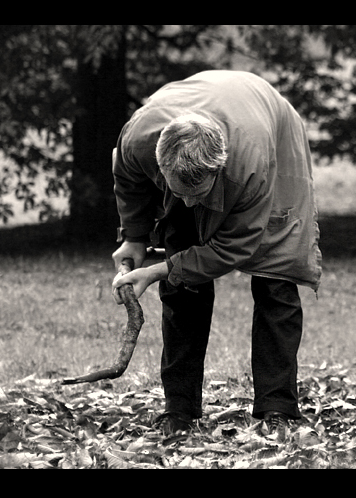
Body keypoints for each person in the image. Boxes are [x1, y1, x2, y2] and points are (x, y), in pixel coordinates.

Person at [110, 70, 322, 438]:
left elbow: (235, 246)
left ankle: (278, 408)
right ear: (160, 163)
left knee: (276, 279)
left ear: (218, 168)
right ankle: (179, 408)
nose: (190, 203)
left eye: (199, 193)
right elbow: (129, 182)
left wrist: (155, 270)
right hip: (199, 120)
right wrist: (134, 237)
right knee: (182, 287)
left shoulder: (249, 169)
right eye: (181, 191)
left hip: (270, 128)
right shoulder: (139, 139)